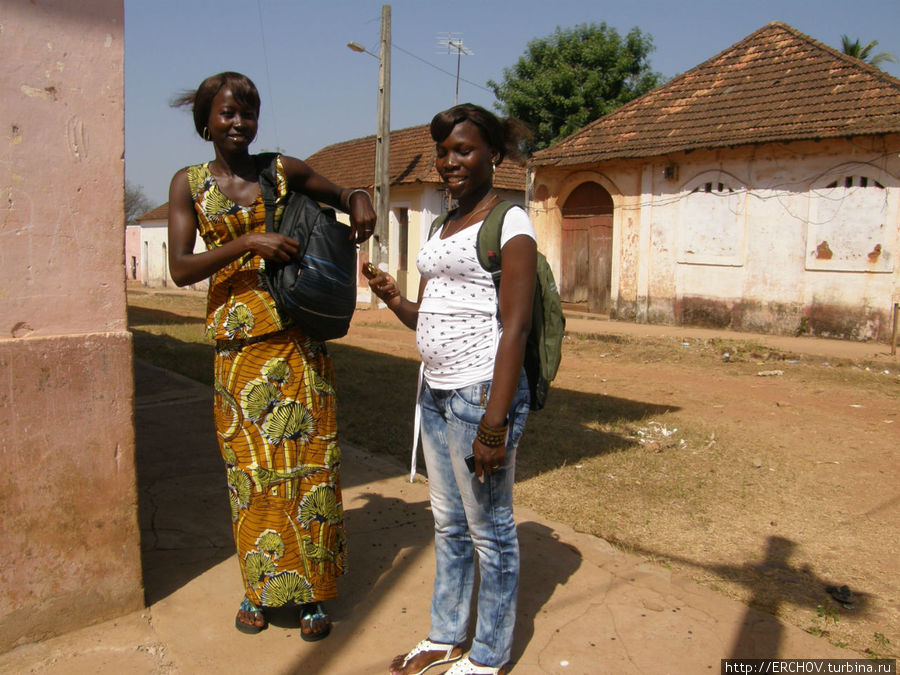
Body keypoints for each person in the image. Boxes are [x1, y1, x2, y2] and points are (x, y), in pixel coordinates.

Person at [166, 71, 376, 640]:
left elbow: (341, 193)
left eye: (249, 113)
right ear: (206, 120)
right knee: (253, 475)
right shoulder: (188, 185)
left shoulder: (281, 170)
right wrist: (246, 243)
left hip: (298, 338)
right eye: (228, 114)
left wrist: (358, 199)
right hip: (238, 351)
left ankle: (311, 596)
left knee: (310, 471)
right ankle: (258, 589)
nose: (239, 124)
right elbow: (181, 268)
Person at [369, 104, 536, 675]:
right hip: (434, 393)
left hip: (479, 394)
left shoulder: (509, 222)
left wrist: (495, 423)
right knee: (447, 522)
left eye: (463, 149)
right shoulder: (442, 226)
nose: (449, 162)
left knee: (491, 531)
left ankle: (488, 655)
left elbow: (515, 325)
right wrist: (392, 296)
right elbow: (427, 315)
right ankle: (445, 636)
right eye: (443, 151)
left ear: (493, 154)